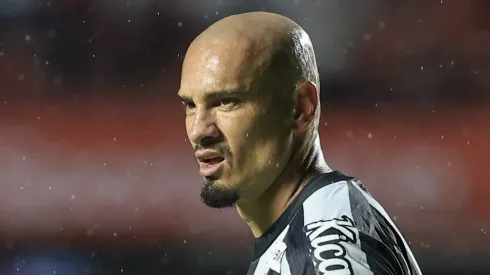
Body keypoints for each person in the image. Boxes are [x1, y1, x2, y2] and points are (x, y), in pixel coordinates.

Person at [178, 11, 422, 275]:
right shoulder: (305, 235)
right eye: (190, 105)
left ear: (300, 108)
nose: (197, 131)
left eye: (227, 101)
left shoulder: (322, 243)